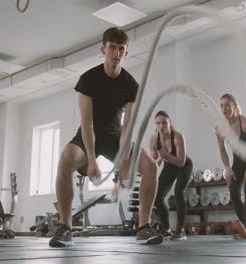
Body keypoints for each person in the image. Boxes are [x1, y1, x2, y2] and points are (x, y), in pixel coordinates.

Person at [49, 27, 162, 247]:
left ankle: (143, 227)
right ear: (104, 49)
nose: (116, 53)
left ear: (126, 53)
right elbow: (87, 122)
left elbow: (128, 124)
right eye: (112, 48)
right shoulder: (88, 79)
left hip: (116, 136)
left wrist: (124, 162)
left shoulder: (130, 85)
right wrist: (91, 160)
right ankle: (65, 227)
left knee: (151, 167)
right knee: (65, 160)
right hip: (88, 135)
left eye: (121, 49)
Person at [215, 93, 246, 239]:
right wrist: (228, 168)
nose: (224, 109)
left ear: (235, 107)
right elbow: (222, 150)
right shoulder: (220, 128)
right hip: (237, 162)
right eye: (222, 105)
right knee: (234, 191)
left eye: (227, 105)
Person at [149, 111, 193, 240]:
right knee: (157, 197)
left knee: (178, 191)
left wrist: (167, 156)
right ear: (155, 125)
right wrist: (158, 160)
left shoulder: (178, 137)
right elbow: (155, 162)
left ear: (170, 123)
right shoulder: (153, 139)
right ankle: (167, 229)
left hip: (184, 166)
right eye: (158, 123)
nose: (161, 126)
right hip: (169, 167)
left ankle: (180, 230)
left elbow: (181, 162)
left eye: (164, 122)